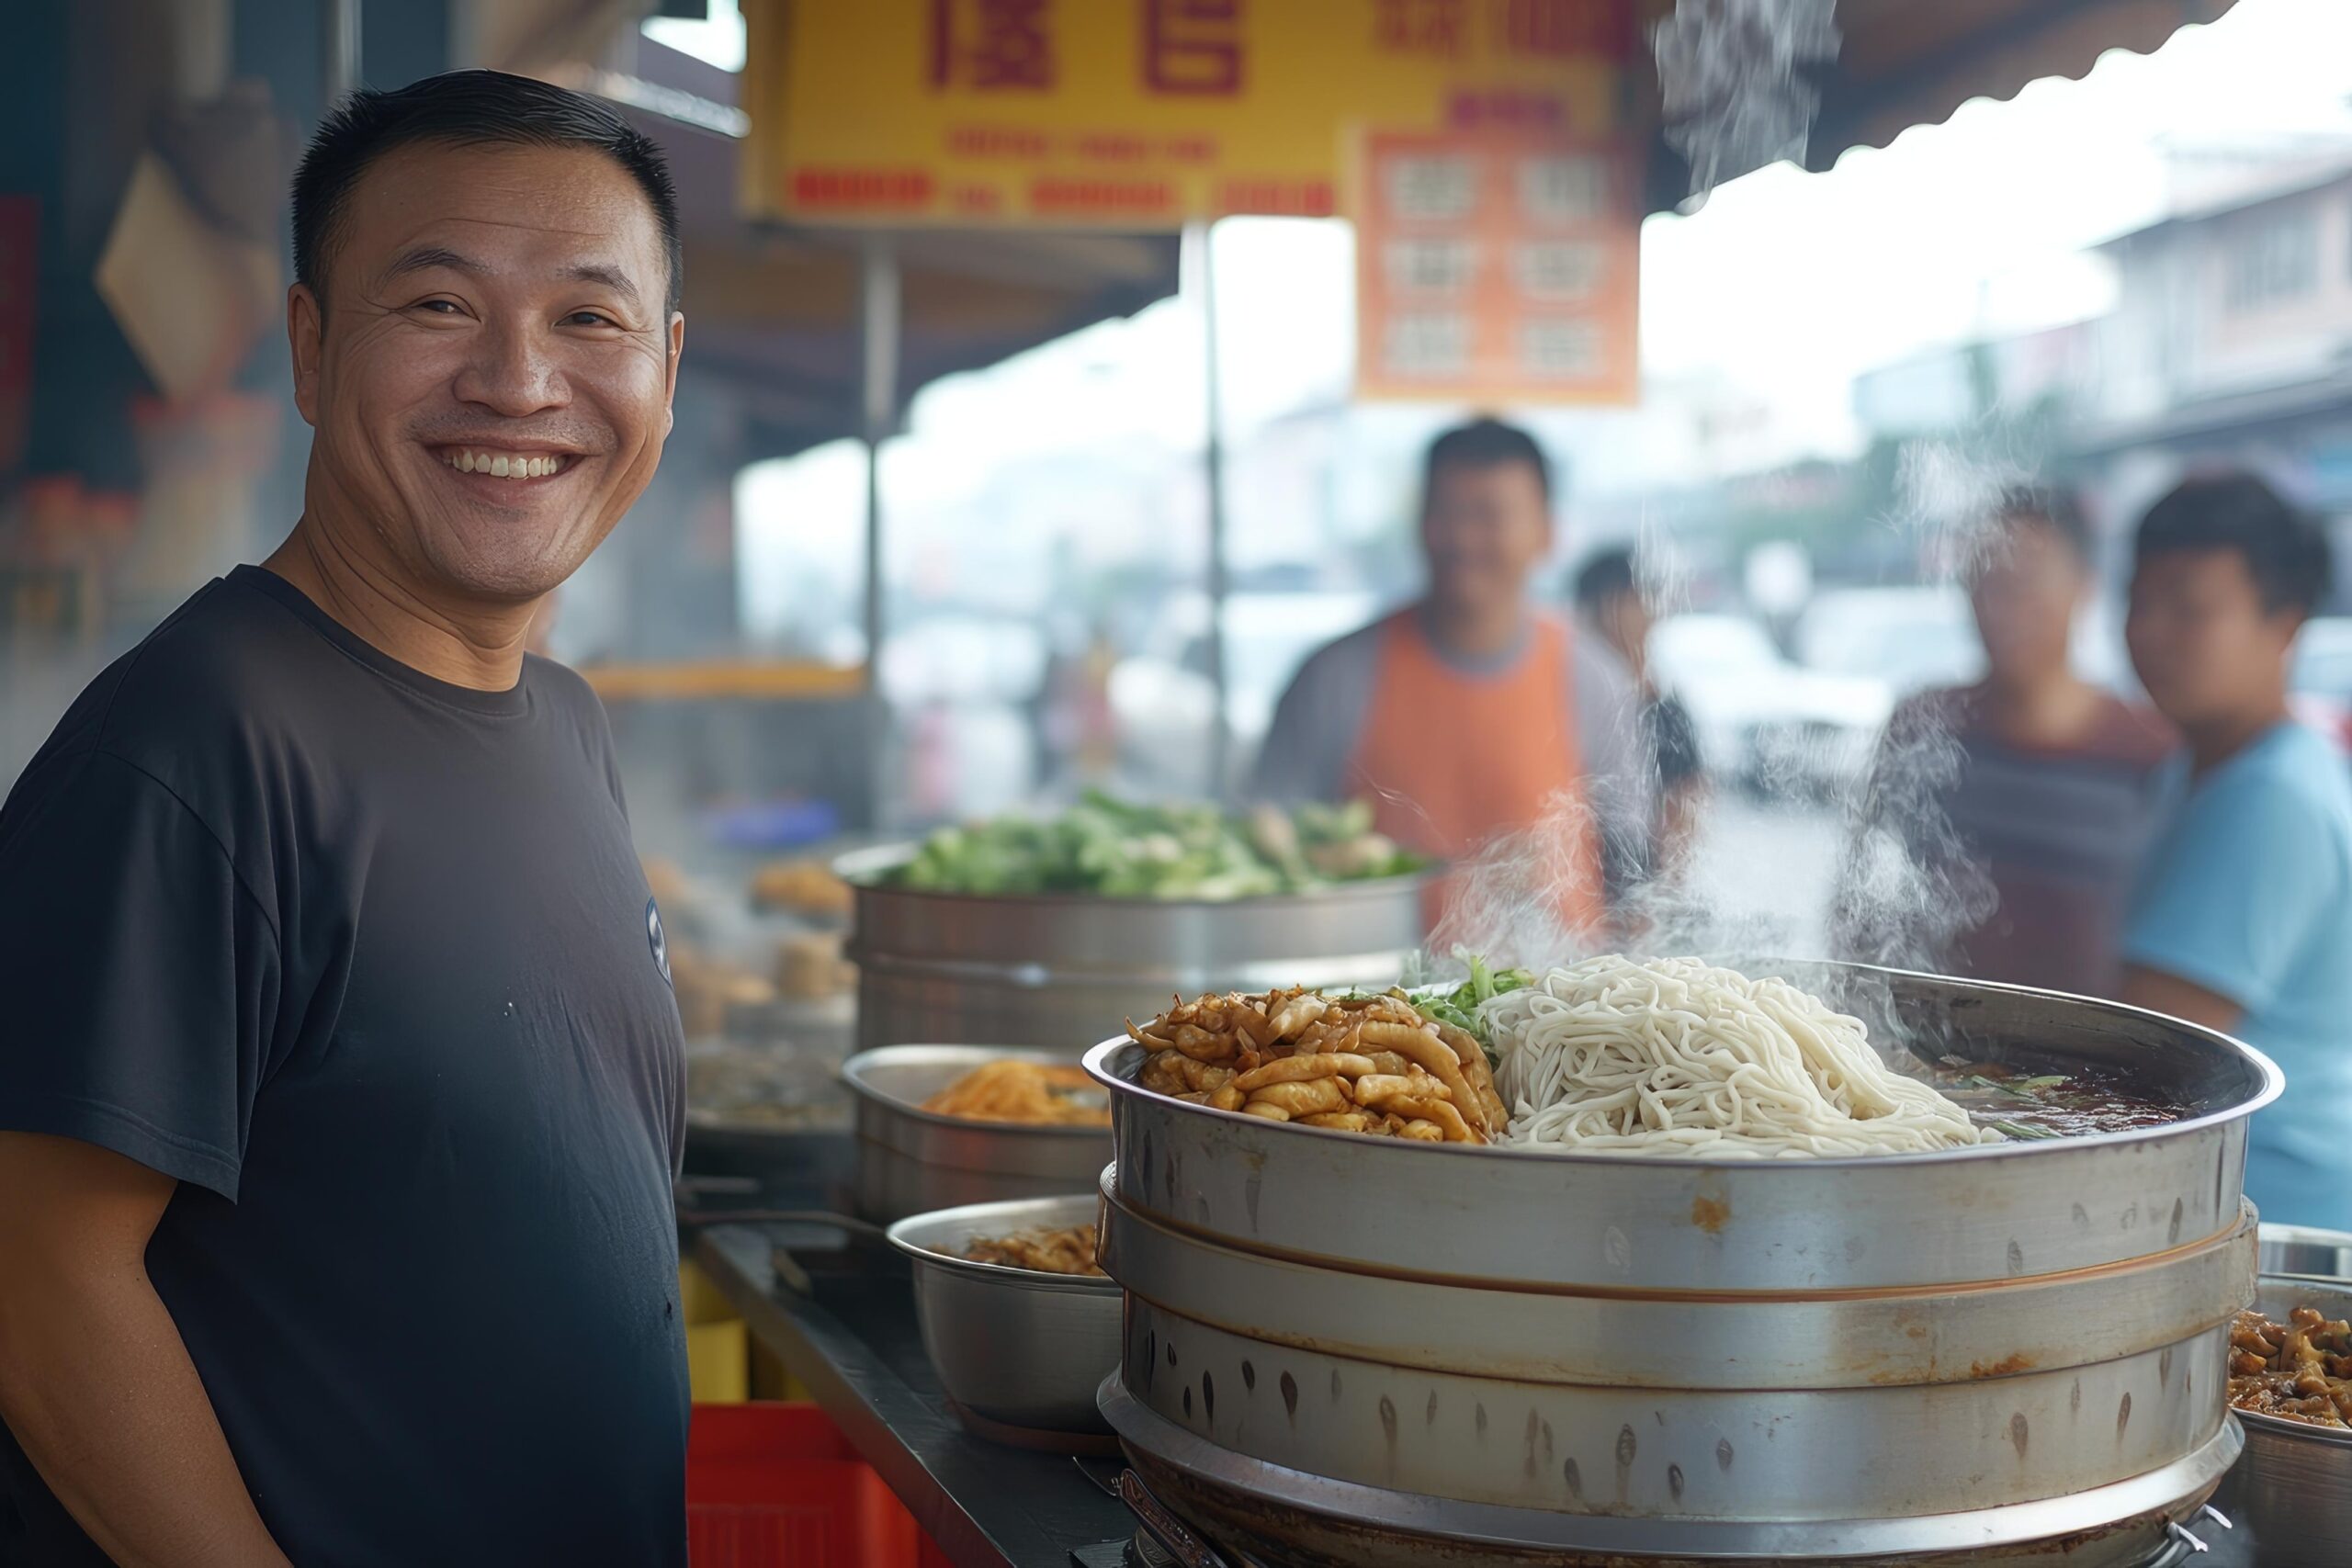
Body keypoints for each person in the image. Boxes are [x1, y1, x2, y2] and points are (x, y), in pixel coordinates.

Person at [0, 73, 690, 1565]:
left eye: (590, 316)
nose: (518, 380)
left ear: (668, 368)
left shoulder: (563, 723)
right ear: (311, 350)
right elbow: (36, 1275)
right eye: (438, 305)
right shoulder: (201, 740)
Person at [1251, 417, 1641, 927]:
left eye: (1489, 515)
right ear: (1420, 522)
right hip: (1374, 998)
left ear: (1546, 534)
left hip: (1557, 998)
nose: (1463, 538)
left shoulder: (1591, 679)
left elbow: (1632, 868)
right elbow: (1263, 848)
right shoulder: (1336, 678)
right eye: (1447, 512)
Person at [2116, 472, 2352, 1229]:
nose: (2150, 632)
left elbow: (2148, 1051)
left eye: (2189, 608)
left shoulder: (2270, 796)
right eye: (2139, 601)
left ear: (2284, 624)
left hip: (2268, 1212)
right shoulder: (2198, 764)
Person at [1847, 487, 2174, 996]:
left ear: (2085, 588)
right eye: (1986, 583)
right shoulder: (1922, 725)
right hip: (1924, 1042)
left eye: (2026, 586)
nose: (2003, 609)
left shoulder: (2148, 750)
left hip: (2084, 1056)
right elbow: (1862, 889)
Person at [1571, 547, 1704, 888]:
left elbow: (1687, 809)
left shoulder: (1665, 710)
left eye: (1641, 601)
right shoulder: (1573, 695)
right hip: (1578, 879)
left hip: (1636, 883)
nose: (1647, 613)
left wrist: (1662, 894)